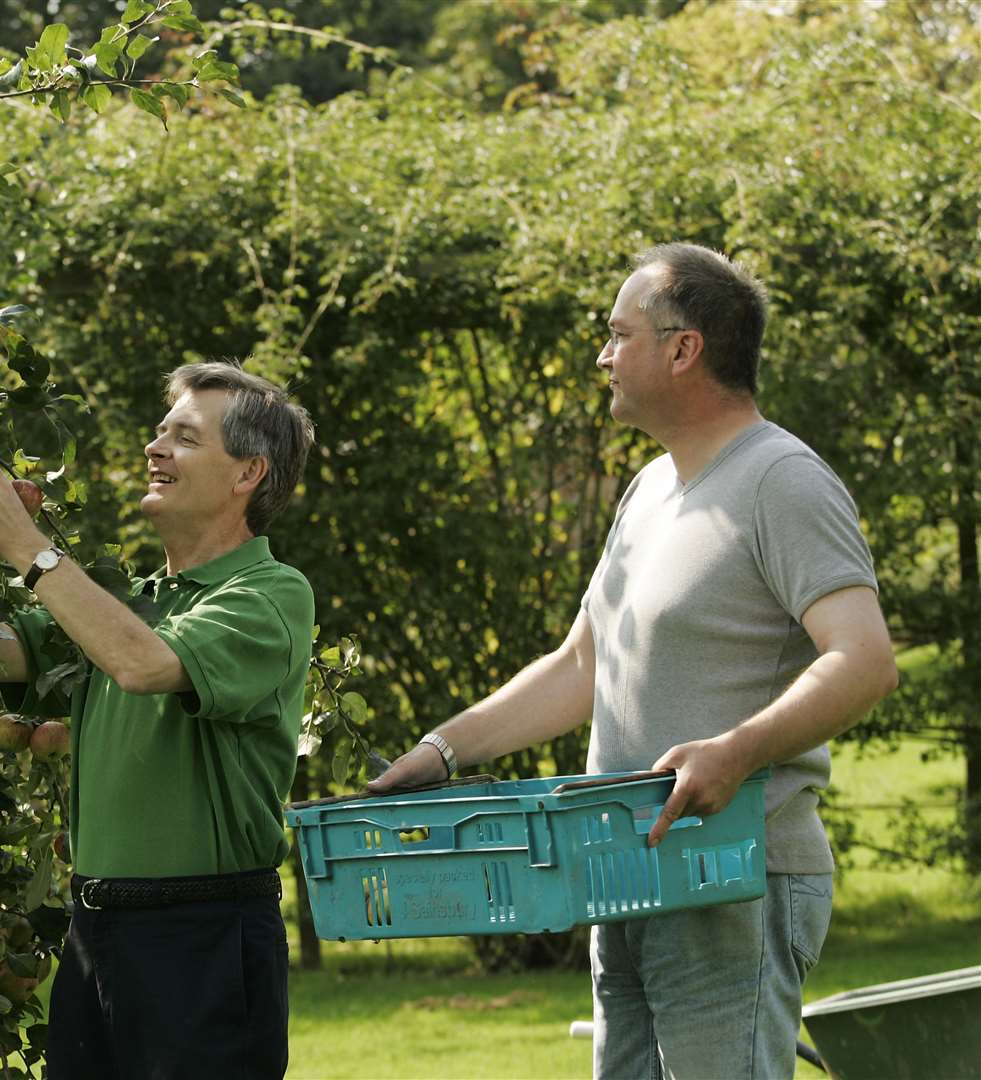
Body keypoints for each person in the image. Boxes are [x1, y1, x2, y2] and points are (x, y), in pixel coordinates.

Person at [368, 243, 898, 1079]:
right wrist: (442, 750)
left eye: (618, 335)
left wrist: (736, 752)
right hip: (621, 871)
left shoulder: (781, 480)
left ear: (683, 348)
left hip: (733, 875)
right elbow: (583, 664)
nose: (602, 355)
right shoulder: (650, 487)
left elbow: (864, 660)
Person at [0, 361, 316, 1080]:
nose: (154, 448)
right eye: (158, 431)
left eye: (183, 437)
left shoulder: (269, 596)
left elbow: (142, 665)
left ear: (247, 474)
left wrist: (26, 546)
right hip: (97, 929)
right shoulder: (124, 601)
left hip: (202, 936)